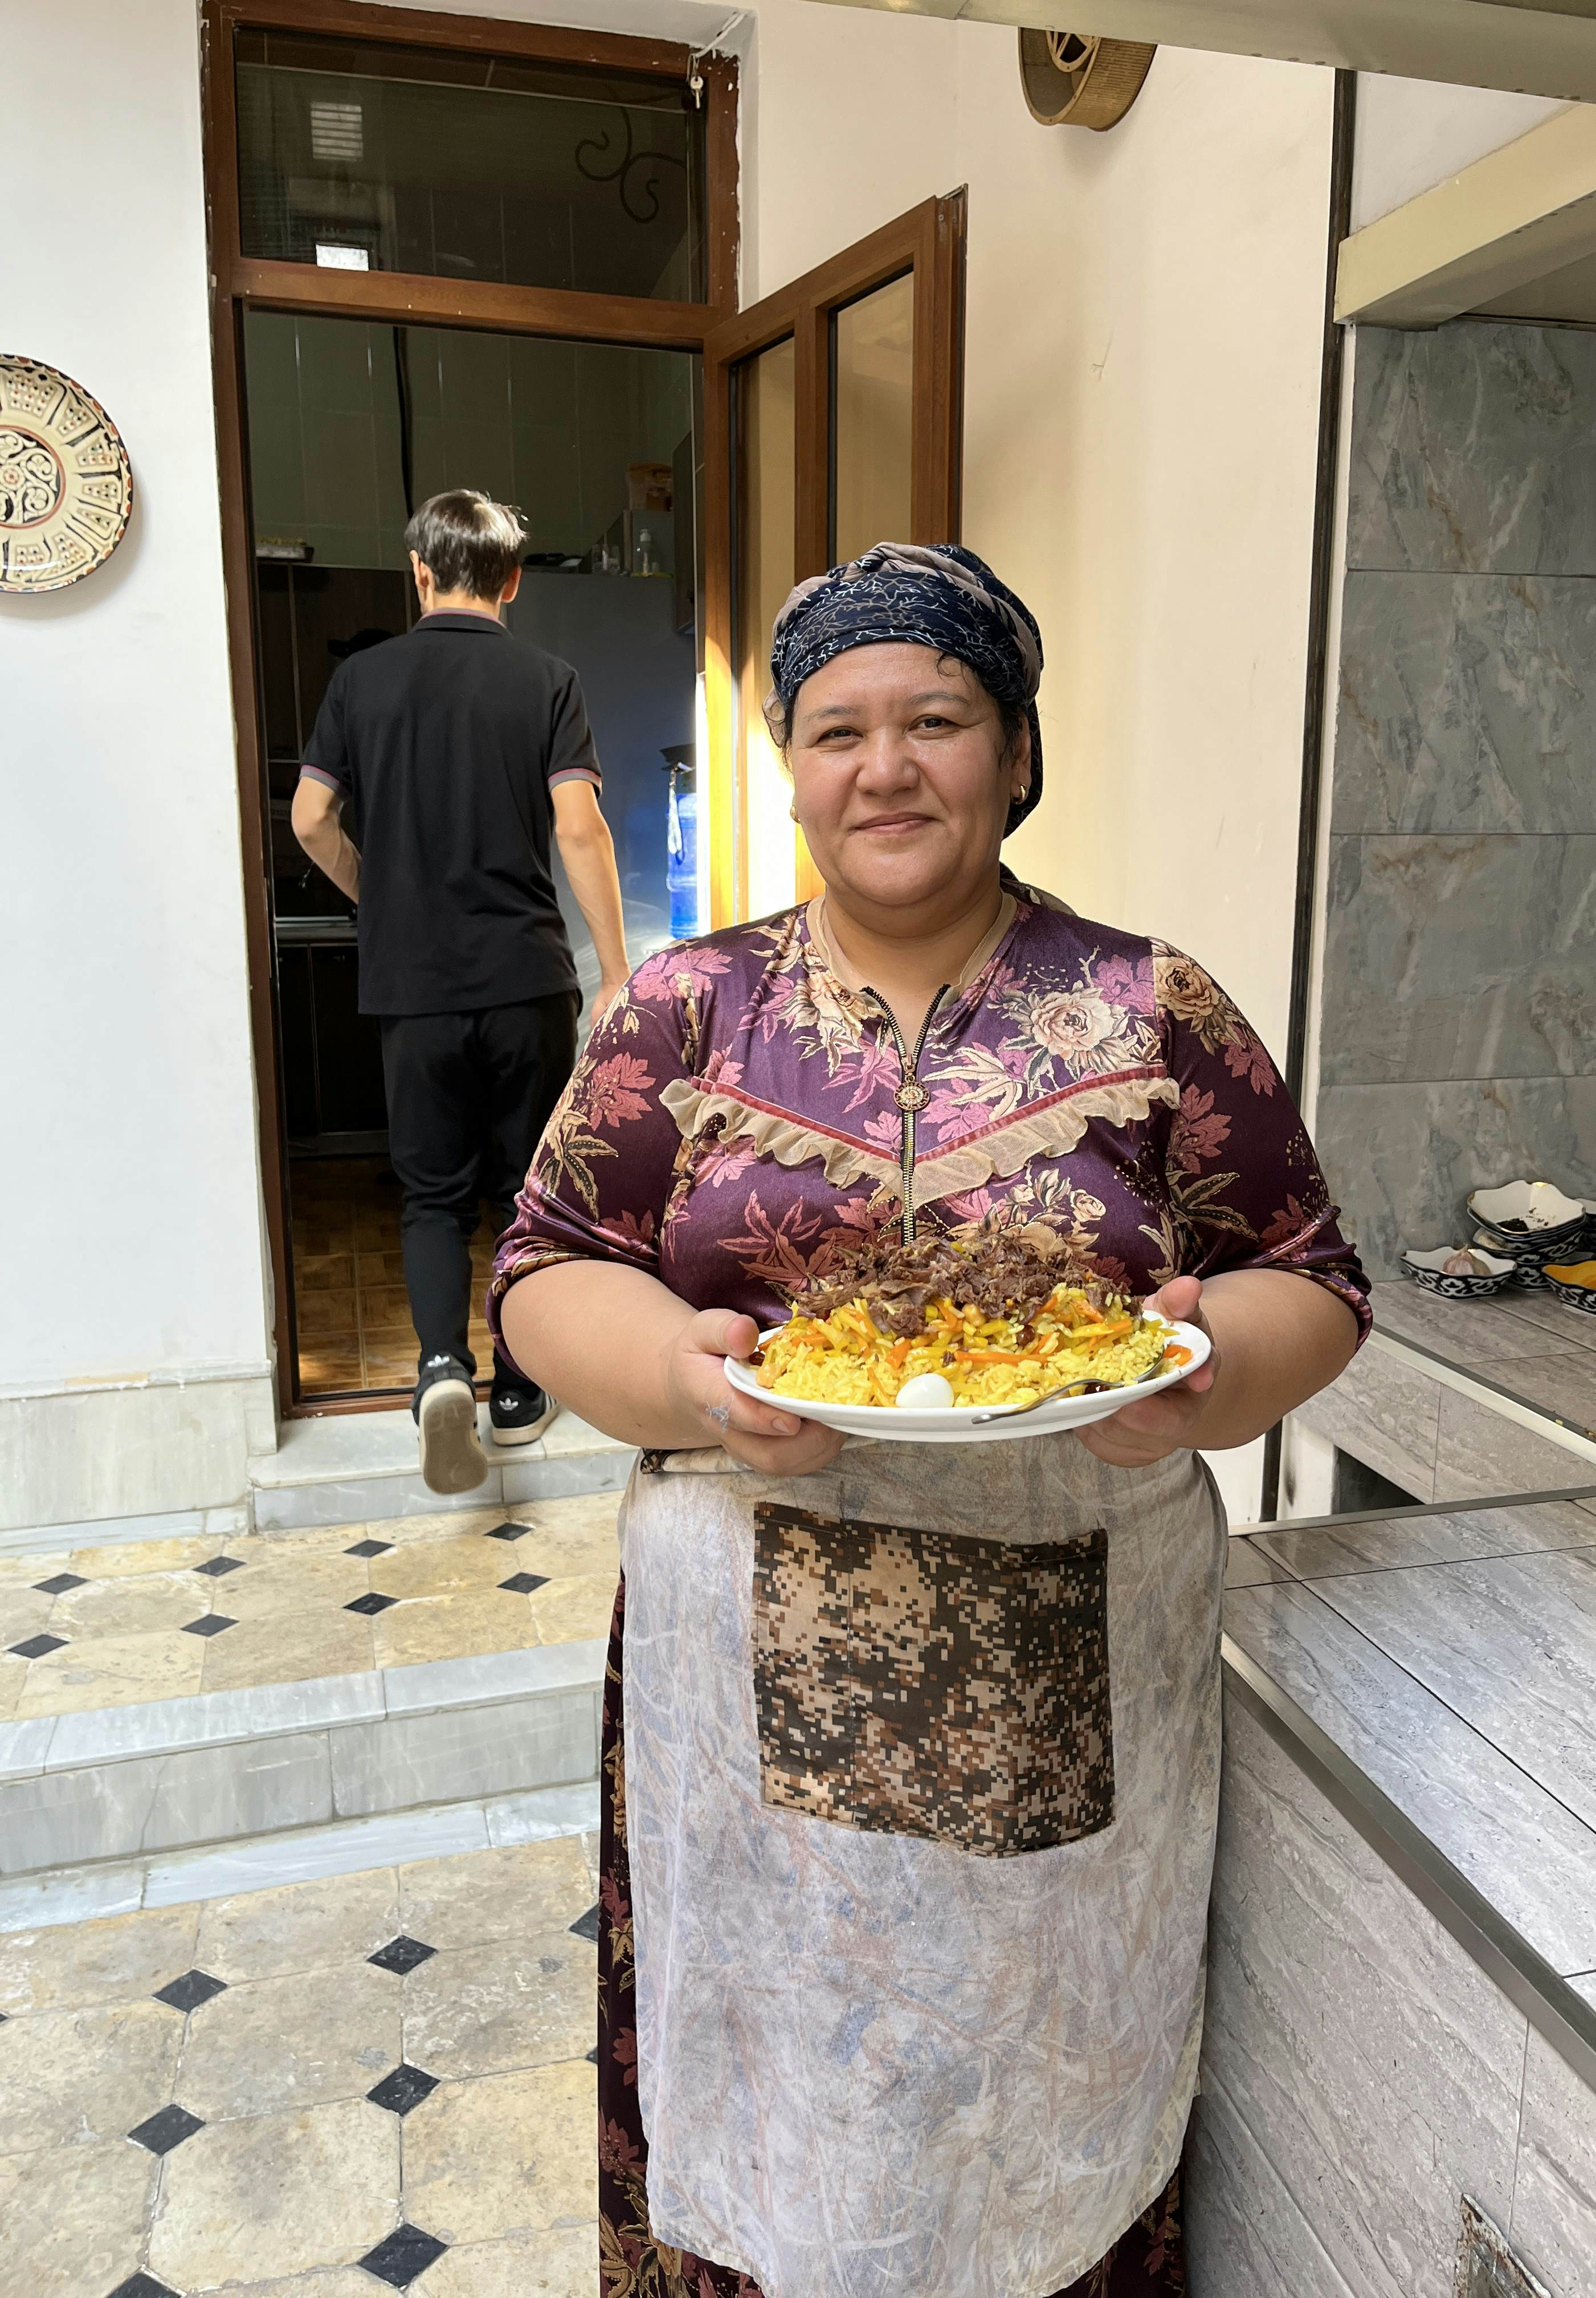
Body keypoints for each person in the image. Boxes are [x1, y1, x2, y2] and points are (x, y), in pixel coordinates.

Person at [489, 541, 1370, 2296]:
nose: (884, 768)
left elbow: (1312, 1275)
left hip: (1080, 1666)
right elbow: (545, 1267)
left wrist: (1210, 1383)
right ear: (795, 772)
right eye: (837, 732)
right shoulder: (686, 1010)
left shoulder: (1152, 1007)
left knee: (1034, 2120)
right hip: (741, 1654)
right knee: (778, 2118)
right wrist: (687, 1379)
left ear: (1016, 755)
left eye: (937, 720)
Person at [291, 488, 630, 1493]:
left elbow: (312, 820)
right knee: (528, 1192)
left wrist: (379, 899)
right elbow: (581, 829)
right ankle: (524, 1386)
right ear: (513, 580)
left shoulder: (363, 679)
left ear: (419, 572)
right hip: (526, 979)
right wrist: (614, 970)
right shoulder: (549, 680)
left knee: (431, 1194)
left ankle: (442, 1368)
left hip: (413, 988)